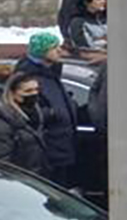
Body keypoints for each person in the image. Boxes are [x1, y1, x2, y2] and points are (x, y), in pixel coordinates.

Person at [10, 31, 77, 188]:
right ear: (42, 51)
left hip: (62, 148)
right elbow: (25, 111)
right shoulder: (29, 76)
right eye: (54, 48)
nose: (59, 51)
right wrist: (54, 113)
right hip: (48, 151)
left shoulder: (51, 74)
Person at [0, 74, 49, 176]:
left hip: (36, 178)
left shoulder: (35, 116)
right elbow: (2, 162)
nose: (34, 93)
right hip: (18, 181)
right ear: (13, 94)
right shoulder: (2, 124)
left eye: (36, 89)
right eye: (28, 91)